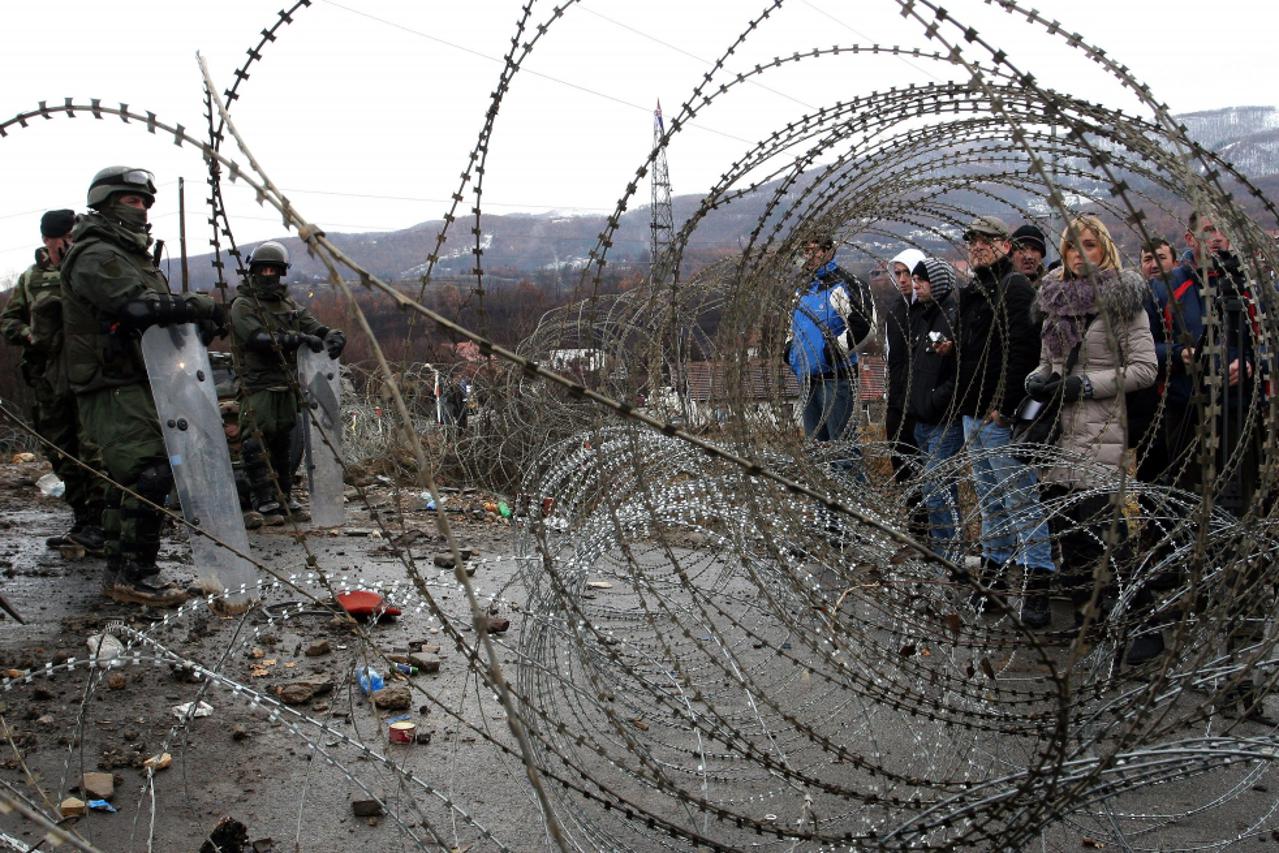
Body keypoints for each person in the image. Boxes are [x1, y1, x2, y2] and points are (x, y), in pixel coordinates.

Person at [61, 166, 224, 606]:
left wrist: (194, 328)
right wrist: (199, 305)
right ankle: (137, 574)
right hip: (109, 381)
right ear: (106, 203)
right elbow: (136, 307)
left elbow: (156, 317)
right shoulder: (96, 253)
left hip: (139, 376)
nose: (141, 209)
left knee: (134, 474)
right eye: (131, 200)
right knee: (147, 471)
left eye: (145, 202)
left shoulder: (132, 255)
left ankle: (122, 571)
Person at [1024, 216, 1157, 647]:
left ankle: (1143, 627)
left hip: (1101, 433)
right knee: (1073, 542)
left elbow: (1145, 368)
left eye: (1090, 245)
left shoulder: (1122, 300)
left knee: (1110, 540)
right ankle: (1091, 624)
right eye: (1071, 246)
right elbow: (1048, 362)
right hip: (1058, 436)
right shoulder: (1053, 298)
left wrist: (1085, 385)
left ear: (1105, 249)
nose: (1080, 254)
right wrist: (1036, 380)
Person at [953, 215, 1055, 626]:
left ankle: (1036, 585)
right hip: (973, 412)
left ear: (1005, 246)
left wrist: (1006, 405)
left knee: (1020, 501)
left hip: (997, 417)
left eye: (986, 240)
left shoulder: (1014, 287)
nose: (978, 246)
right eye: (973, 240)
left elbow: (1023, 351)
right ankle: (993, 582)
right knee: (990, 501)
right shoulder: (974, 291)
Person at [1, 210, 107, 555]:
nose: (71, 243)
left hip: (88, 376)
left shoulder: (85, 270)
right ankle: (82, 521)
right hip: (48, 379)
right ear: (48, 239)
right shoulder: (31, 279)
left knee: (93, 452)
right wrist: (30, 335)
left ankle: (102, 523)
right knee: (61, 452)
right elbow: (9, 322)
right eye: (65, 237)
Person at [230, 240, 345, 524]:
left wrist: (332, 335)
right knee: (256, 442)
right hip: (257, 384)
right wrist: (296, 339)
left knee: (284, 444)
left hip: (285, 383)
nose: (268, 275)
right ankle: (263, 500)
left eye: (273, 270)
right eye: (263, 269)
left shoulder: (289, 305)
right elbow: (256, 338)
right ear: (254, 271)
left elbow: (314, 326)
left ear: (281, 273)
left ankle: (284, 495)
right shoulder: (243, 305)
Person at [784, 235, 876, 446]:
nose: (809, 256)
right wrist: (790, 351)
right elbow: (791, 326)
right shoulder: (801, 289)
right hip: (808, 379)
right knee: (816, 449)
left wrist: (832, 352)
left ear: (828, 251)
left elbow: (866, 326)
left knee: (841, 448)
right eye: (805, 251)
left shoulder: (846, 284)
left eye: (814, 250)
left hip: (837, 379)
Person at [906, 257, 964, 559]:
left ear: (938, 283)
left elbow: (959, 372)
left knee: (938, 489)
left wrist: (934, 400)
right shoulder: (923, 315)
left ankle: (951, 557)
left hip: (944, 420)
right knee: (934, 492)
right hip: (923, 419)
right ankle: (944, 554)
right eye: (915, 280)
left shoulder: (952, 318)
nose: (915, 285)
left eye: (922, 280)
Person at [884, 248, 927, 535]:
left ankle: (934, 536)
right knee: (904, 472)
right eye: (897, 273)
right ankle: (917, 533)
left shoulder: (930, 310)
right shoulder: (896, 312)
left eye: (907, 273)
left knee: (928, 475)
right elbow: (891, 358)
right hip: (898, 402)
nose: (901, 279)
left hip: (923, 405)